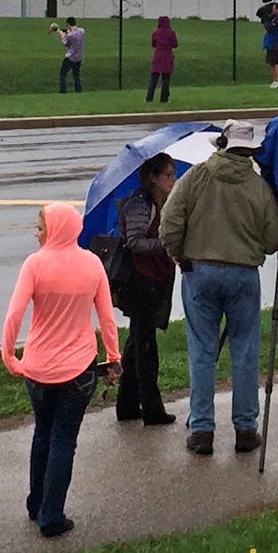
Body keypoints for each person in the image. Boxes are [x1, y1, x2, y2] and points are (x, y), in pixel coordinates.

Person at [159, 119, 278, 456]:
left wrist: (176, 252)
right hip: (243, 273)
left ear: (221, 145)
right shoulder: (259, 187)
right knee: (244, 350)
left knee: (202, 350)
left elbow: (170, 222)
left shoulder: (196, 177)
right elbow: (273, 241)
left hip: (199, 270)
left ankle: (202, 429)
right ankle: (245, 428)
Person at [0, 203, 121, 539]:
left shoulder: (35, 264)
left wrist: (10, 355)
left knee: (43, 433)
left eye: (40, 228)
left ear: (53, 229)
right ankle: (52, 515)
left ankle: (36, 502)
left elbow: (14, 315)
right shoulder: (92, 264)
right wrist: (113, 357)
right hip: (78, 369)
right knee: (63, 440)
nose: (36, 233)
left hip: (37, 369)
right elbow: (107, 319)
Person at [115, 152, 178, 425]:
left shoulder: (156, 202)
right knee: (146, 348)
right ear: (152, 177)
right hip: (141, 282)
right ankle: (152, 409)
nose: (173, 180)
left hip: (150, 280)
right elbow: (136, 242)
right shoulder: (141, 204)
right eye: (168, 175)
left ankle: (127, 405)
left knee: (136, 343)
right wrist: (168, 244)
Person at [146, 15, 177, 103]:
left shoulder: (155, 33)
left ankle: (149, 98)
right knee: (166, 79)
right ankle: (164, 99)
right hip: (167, 56)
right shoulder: (171, 33)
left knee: (153, 78)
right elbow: (175, 44)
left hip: (157, 56)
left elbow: (153, 43)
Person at [51, 17, 85, 93]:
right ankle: (78, 90)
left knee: (62, 74)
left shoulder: (70, 35)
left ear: (68, 24)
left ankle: (63, 90)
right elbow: (72, 31)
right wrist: (64, 31)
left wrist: (62, 36)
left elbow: (66, 44)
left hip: (70, 57)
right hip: (79, 57)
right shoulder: (82, 31)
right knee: (76, 75)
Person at [261, 1, 278, 88]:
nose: (272, 10)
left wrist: (267, 23)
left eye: (274, 8)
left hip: (277, 41)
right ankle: (274, 80)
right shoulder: (274, 17)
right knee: (271, 62)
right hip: (271, 41)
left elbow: (271, 27)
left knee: (276, 61)